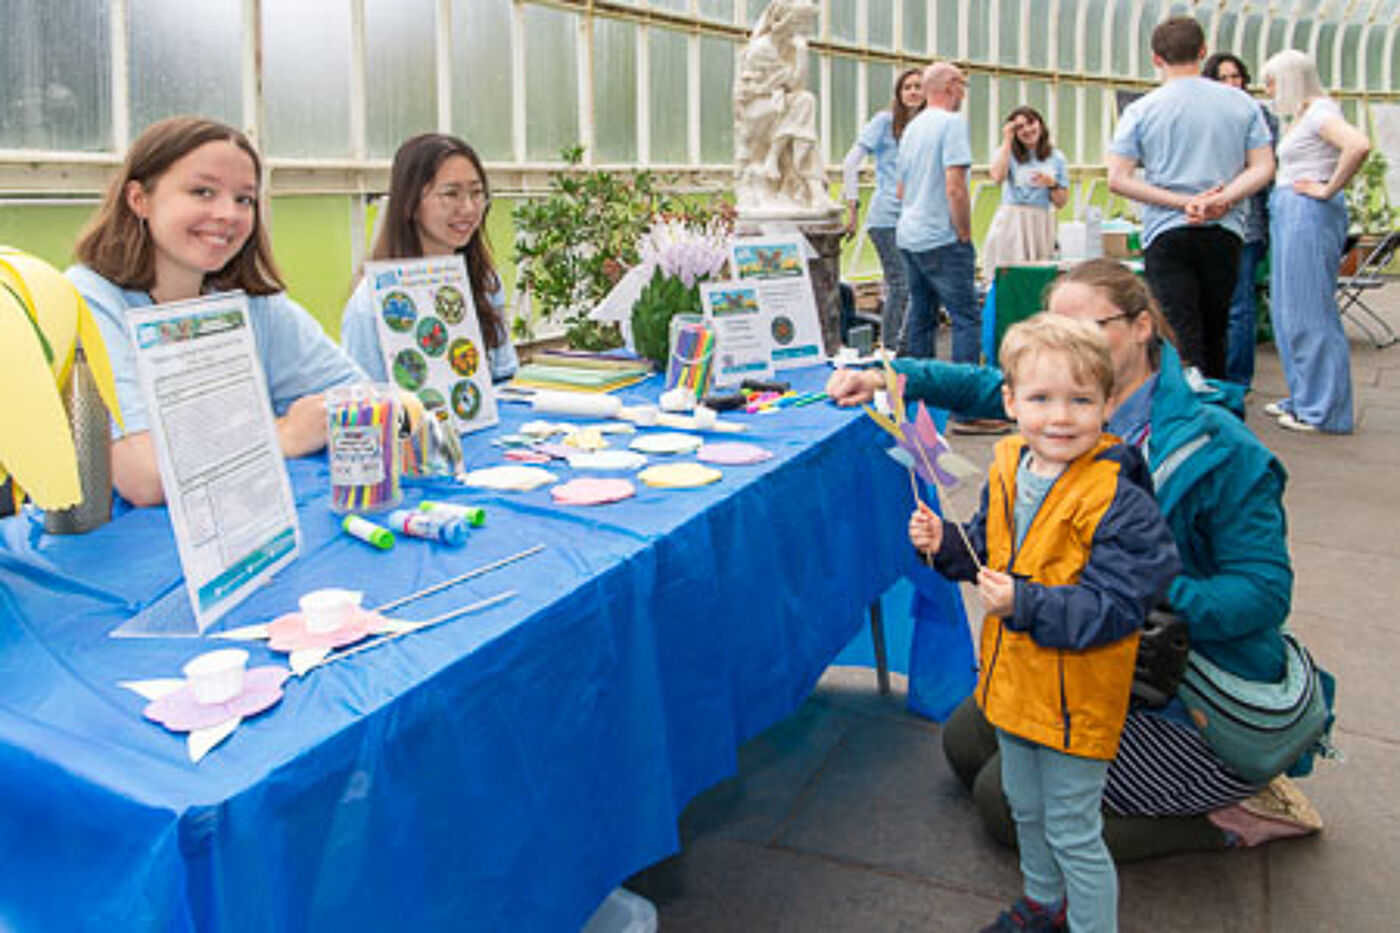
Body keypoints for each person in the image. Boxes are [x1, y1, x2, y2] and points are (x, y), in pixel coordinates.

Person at [828, 258, 1315, 861]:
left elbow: (1266, 593)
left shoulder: (1221, 447)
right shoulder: (1070, 403)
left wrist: (1135, 592)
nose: (1067, 348)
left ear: (1142, 327)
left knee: (1004, 806)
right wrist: (887, 375)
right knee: (962, 745)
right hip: (1072, 647)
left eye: (1089, 328)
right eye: (1056, 329)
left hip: (1180, 689)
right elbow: (983, 385)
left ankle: (1233, 816)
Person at [910, 313, 1179, 933]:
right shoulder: (1008, 464)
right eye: (1040, 399)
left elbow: (1117, 605)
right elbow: (986, 549)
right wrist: (942, 544)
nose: (1060, 417)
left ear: (1109, 403)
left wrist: (1026, 605)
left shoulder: (1120, 500)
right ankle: (1041, 903)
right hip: (1013, 684)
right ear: (1009, 401)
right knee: (1024, 806)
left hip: (1075, 697)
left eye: (1080, 400)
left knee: (1073, 828)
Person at [67, 116, 365, 507]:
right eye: (203, 191)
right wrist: (285, 434)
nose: (228, 214)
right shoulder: (91, 299)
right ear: (139, 198)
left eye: (244, 199)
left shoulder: (253, 303)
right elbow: (146, 477)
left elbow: (369, 398)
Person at [1107, 16, 1275, 380]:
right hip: (1225, 229)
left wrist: (1182, 203)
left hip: (1167, 231)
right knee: (1217, 329)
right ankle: (1218, 406)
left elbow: (1118, 179)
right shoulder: (1242, 104)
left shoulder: (1141, 110)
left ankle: (1186, 411)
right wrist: (1223, 199)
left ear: (1155, 58)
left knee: (1177, 331)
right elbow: (1263, 167)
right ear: (1202, 51)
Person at [341, 133, 518, 385]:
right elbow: (364, 403)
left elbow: (504, 374)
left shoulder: (486, 282)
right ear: (410, 203)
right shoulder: (370, 303)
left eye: (477, 192)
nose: (468, 208)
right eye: (451, 194)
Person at [1259, 49, 1371, 434]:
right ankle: (1306, 398)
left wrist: (1327, 189)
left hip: (1307, 211)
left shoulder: (1322, 113)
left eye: (1273, 81)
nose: (1269, 89)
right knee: (1289, 310)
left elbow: (1358, 145)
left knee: (1310, 311)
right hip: (1294, 209)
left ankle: (1323, 409)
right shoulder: (1306, 113)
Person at [1202, 52, 1280, 390]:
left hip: (1246, 224)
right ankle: (1213, 375)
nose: (1232, 83)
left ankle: (1236, 380)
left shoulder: (1259, 116)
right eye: (1223, 78)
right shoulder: (1204, 115)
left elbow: (1264, 169)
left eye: (1236, 77)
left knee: (1239, 306)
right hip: (1206, 220)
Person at [895, 62, 979, 367]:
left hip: (909, 235)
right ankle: (965, 399)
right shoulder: (952, 124)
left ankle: (922, 392)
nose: (963, 94)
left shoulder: (911, 129)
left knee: (921, 315)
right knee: (966, 318)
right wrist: (964, 233)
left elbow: (900, 191)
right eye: (962, 86)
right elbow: (955, 186)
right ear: (951, 86)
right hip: (941, 237)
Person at [841, 67, 924, 351]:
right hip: (886, 216)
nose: (913, 91)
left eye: (918, 86)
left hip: (918, 217)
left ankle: (906, 345)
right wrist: (852, 209)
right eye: (907, 87)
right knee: (901, 283)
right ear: (899, 93)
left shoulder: (929, 127)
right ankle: (891, 348)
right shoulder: (884, 122)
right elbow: (851, 163)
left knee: (916, 285)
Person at [981, 106, 1070, 273]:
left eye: (1031, 123)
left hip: (1040, 220)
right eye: (1019, 127)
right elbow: (997, 177)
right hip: (1012, 219)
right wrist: (1007, 140)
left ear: (1040, 125)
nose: (1027, 130)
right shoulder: (1007, 153)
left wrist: (1052, 184)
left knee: (1038, 273)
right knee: (1009, 271)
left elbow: (1061, 202)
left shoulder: (1056, 157)